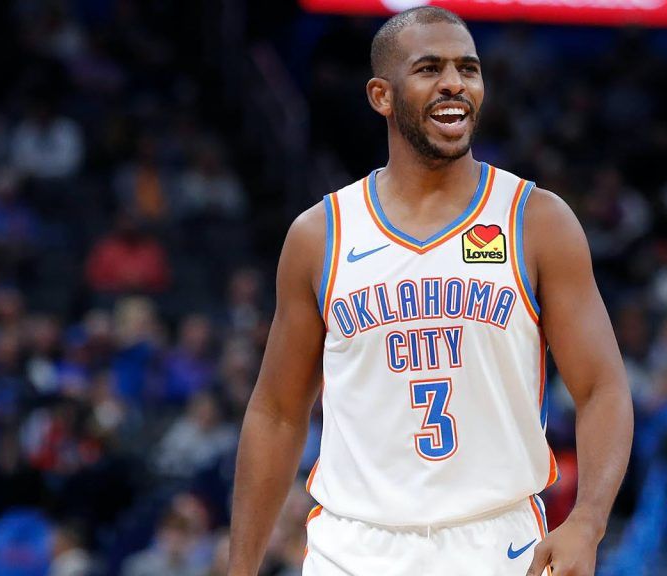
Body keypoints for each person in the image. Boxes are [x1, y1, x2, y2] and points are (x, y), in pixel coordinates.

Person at [227, 7, 633, 576]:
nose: (454, 83)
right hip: (353, 546)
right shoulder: (320, 235)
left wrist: (588, 520)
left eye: (468, 68)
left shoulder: (535, 220)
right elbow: (277, 412)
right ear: (381, 96)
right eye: (429, 68)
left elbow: (602, 389)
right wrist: (240, 567)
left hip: (497, 543)